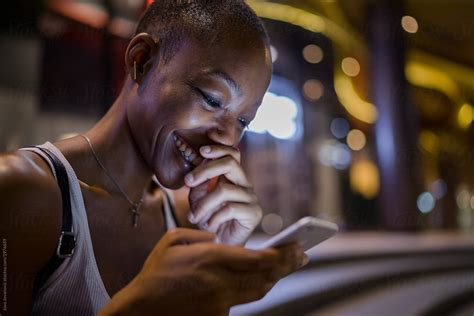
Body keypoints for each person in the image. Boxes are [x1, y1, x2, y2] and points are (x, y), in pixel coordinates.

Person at [0, 1, 308, 315]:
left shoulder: (189, 222)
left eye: (243, 122)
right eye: (212, 99)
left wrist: (226, 250)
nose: (227, 139)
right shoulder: (21, 194)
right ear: (142, 60)